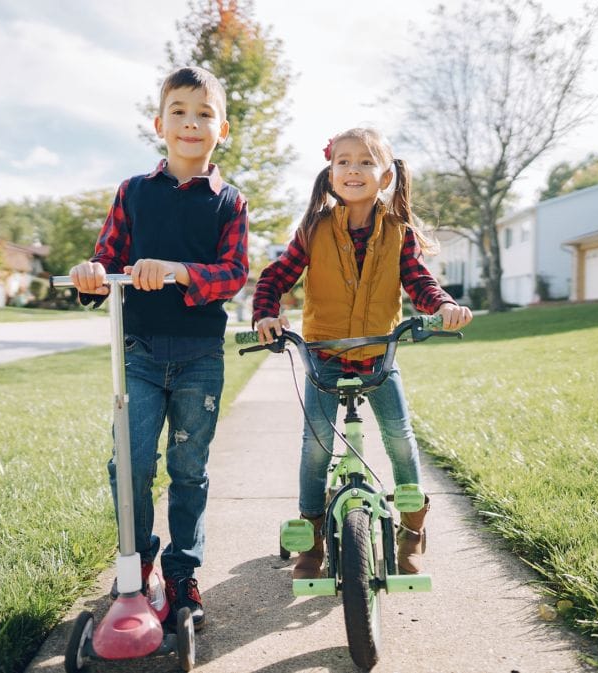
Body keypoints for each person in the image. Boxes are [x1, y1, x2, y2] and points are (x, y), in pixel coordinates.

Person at [69, 66, 248, 630]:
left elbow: (234, 272)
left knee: (189, 468)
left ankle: (181, 572)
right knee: (131, 462)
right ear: (159, 123)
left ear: (223, 129)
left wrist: (176, 272)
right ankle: (138, 557)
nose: (191, 123)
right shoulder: (133, 192)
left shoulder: (228, 203)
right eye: (179, 112)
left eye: (204, 114)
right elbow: (108, 258)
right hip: (140, 353)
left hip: (199, 355)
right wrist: (92, 274)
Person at [253, 127, 472, 580]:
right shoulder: (312, 230)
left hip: (379, 355)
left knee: (400, 440)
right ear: (331, 172)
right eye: (344, 161)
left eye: (366, 162)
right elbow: (274, 279)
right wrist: (266, 316)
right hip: (323, 357)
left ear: (386, 175)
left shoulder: (399, 233)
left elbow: (420, 284)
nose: (354, 170)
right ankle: (312, 541)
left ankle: (412, 534)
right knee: (316, 447)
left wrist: (444, 307)